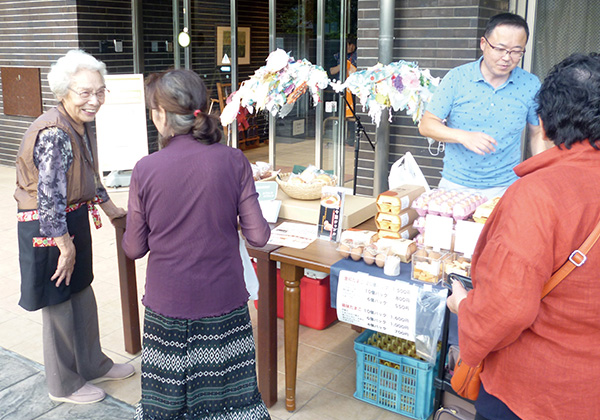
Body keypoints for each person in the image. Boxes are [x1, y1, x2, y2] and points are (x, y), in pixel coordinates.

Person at [447, 52, 600, 420]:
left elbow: (506, 307)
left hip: (536, 390)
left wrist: (464, 308)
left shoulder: (539, 195)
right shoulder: (457, 78)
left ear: (544, 124)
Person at [122, 69, 272, 420]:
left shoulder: (145, 169)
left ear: (161, 115)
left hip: (167, 304)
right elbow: (259, 236)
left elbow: (133, 247)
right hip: (223, 302)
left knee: (168, 404)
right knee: (228, 404)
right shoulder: (233, 160)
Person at [14, 50, 134, 404]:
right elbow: (49, 198)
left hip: (72, 219)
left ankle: (93, 363)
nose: (94, 100)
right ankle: (62, 384)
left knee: (82, 292)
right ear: (64, 91)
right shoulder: (54, 132)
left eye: (100, 91)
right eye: (85, 92)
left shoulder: (77, 124)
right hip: (50, 228)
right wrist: (65, 247)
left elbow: (88, 176)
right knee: (59, 303)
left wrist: (112, 210)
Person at [419, 13, 548, 199]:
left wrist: (542, 174)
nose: (506, 58)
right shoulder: (457, 78)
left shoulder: (530, 84)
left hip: (505, 187)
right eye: (500, 48)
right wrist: (463, 136)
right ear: (483, 43)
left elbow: (537, 133)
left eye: (516, 51)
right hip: (455, 186)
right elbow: (426, 125)